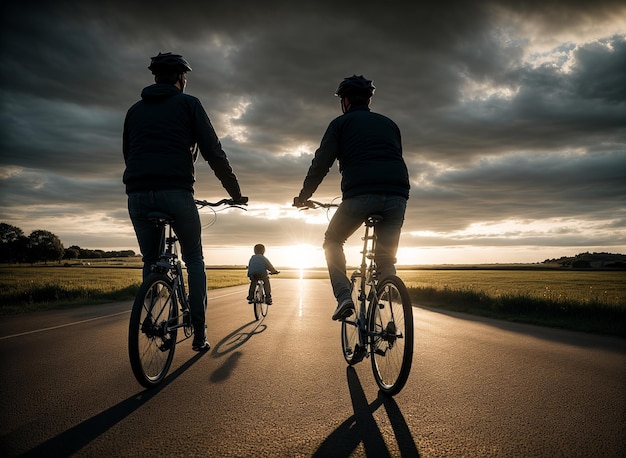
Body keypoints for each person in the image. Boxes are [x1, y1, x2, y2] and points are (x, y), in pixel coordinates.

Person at [123, 52, 247, 351]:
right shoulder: (189, 103)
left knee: (151, 260)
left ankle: (152, 318)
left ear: (155, 77)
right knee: (194, 260)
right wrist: (234, 192)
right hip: (176, 192)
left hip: (137, 194)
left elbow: (128, 152)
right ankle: (201, 331)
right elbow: (213, 151)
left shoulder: (134, 110)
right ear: (181, 78)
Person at [293, 75, 410, 321]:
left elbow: (321, 163)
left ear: (345, 101)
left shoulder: (340, 124)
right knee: (385, 258)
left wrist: (304, 196)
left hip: (360, 194)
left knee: (332, 241)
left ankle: (344, 296)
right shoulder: (390, 124)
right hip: (398, 194)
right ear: (368, 100)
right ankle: (388, 306)